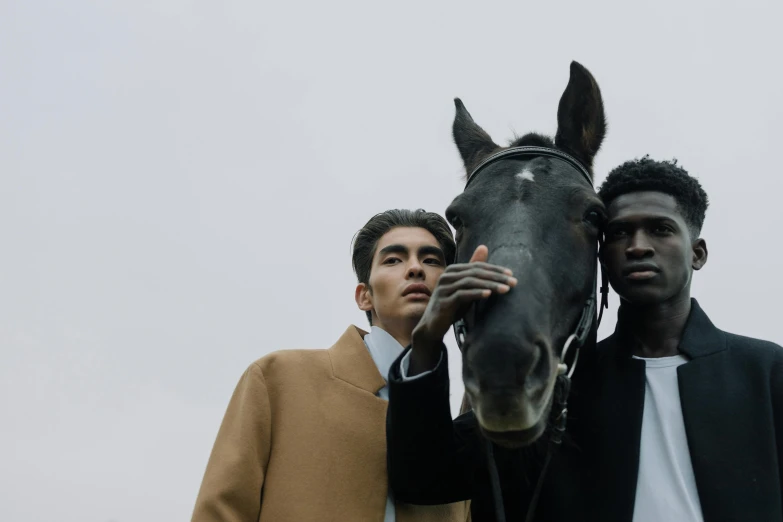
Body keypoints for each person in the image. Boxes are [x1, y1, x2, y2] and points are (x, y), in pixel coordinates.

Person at [386, 157, 783, 521]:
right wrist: (427, 341)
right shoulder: (553, 391)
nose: (638, 246)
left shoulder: (767, 373)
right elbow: (423, 480)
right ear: (600, 254)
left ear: (697, 252)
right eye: (620, 232)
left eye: (660, 229)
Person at [192, 209, 470, 522]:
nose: (416, 268)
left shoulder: (458, 446)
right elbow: (220, 512)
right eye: (394, 260)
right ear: (364, 296)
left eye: (432, 260)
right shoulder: (278, 379)